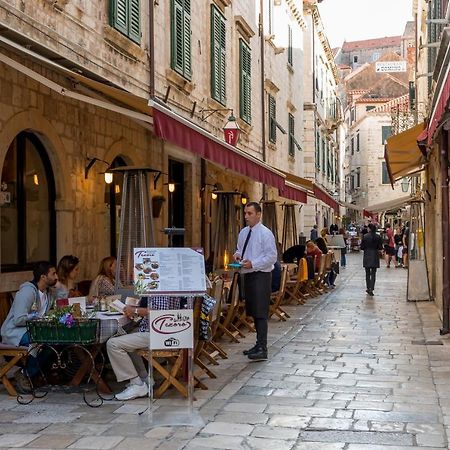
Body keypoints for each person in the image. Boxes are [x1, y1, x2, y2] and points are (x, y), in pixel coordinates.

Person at [106, 296, 181, 401]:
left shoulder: (160, 286)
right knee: (125, 338)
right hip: (160, 332)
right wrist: (134, 309)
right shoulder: (164, 284)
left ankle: (137, 384)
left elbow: (161, 313)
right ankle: (145, 379)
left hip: (160, 334)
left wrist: (135, 310)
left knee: (113, 344)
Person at [1, 261, 58, 390]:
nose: (56, 277)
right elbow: (18, 320)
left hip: (33, 331)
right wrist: (36, 318)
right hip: (15, 332)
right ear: (43, 277)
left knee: (54, 341)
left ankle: (30, 373)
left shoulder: (49, 293)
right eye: (53, 273)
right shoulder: (27, 292)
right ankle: (25, 374)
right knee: (40, 341)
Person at [233, 202, 277, 362]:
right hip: (248, 274)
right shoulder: (244, 232)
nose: (246, 216)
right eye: (245, 213)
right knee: (252, 310)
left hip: (261, 275)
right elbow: (240, 249)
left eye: (250, 213)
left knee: (260, 313)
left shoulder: (266, 234)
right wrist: (237, 255)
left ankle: (262, 347)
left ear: (258, 214)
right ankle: (258, 344)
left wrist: (254, 263)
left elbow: (271, 257)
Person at [360, 223, 383, 296]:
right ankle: (372, 288)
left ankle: (368, 287)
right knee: (373, 273)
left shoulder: (365, 236)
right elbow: (380, 247)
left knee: (367, 273)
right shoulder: (378, 236)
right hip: (375, 255)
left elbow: (362, 247)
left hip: (367, 255)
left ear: (369, 229)